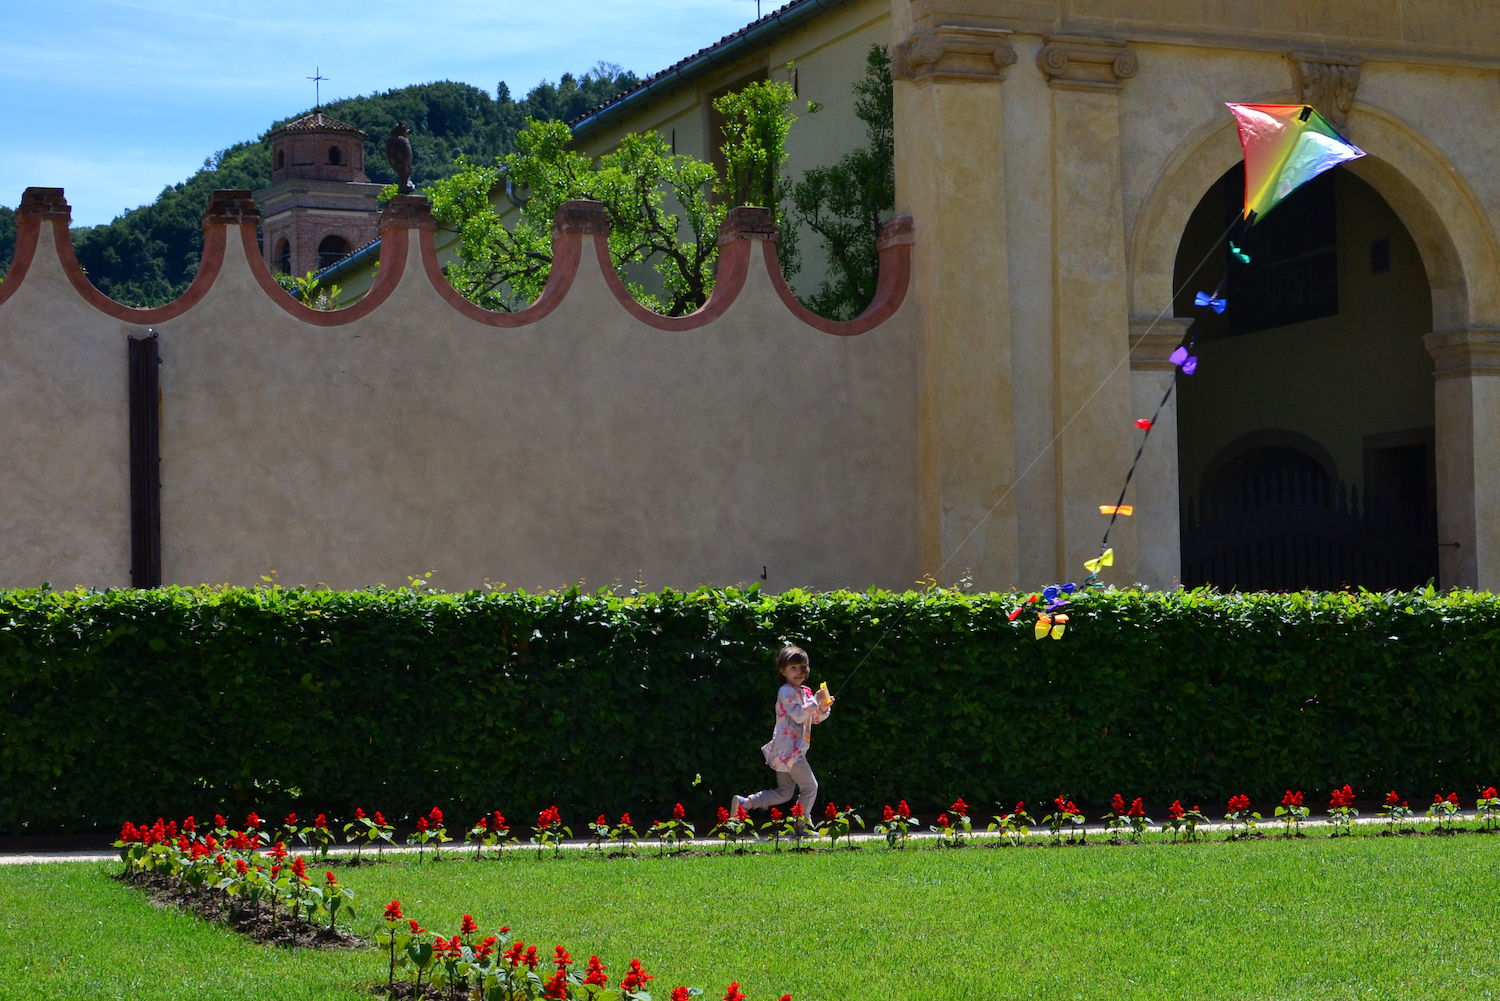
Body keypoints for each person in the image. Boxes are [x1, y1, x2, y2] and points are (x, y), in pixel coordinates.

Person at [731, 645, 833, 828]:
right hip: (790, 750)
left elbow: (814, 718)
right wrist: (815, 701)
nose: (799, 672)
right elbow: (799, 715)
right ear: (782, 670)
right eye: (793, 668)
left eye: (802, 667)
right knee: (810, 787)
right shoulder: (785, 692)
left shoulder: (807, 692)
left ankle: (745, 803)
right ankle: (802, 826)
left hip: (789, 749)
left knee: (785, 792)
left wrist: (823, 707)